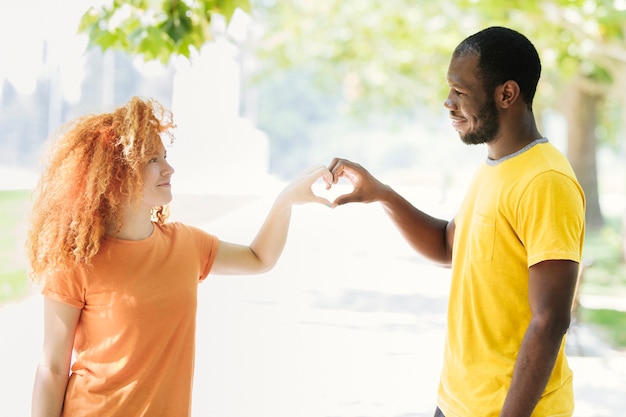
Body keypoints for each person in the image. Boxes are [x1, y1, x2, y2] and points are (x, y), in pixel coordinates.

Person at [325, 27, 585, 417]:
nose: (448, 102)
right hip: (457, 403)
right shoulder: (496, 167)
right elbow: (451, 246)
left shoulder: (545, 181)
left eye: (460, 92)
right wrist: (382, 194)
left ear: (506, 94)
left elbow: (550, 320)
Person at [27, 96, 332, 417]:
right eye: (152, 160)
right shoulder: (79, 261)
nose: (169, 168)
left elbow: (259, 258)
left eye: (165, 156)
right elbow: (53, 368)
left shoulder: (186, 244)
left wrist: (285, 200)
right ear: (116, 175)